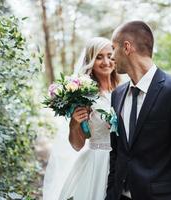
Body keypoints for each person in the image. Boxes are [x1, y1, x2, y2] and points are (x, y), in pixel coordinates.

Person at [106, 21, 171, 200]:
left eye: (113, 49)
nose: (111, 57)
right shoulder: (117, 95)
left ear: (127, 47)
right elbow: (117, 153)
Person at [43, 37, 120, 200]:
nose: (106, 61)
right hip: (97, 163)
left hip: (123, 162)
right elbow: (78, 145)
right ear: (91, 61)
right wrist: (74, 125)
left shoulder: (124, 89)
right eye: (99, 57)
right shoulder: (85, 97)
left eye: (109, 55)